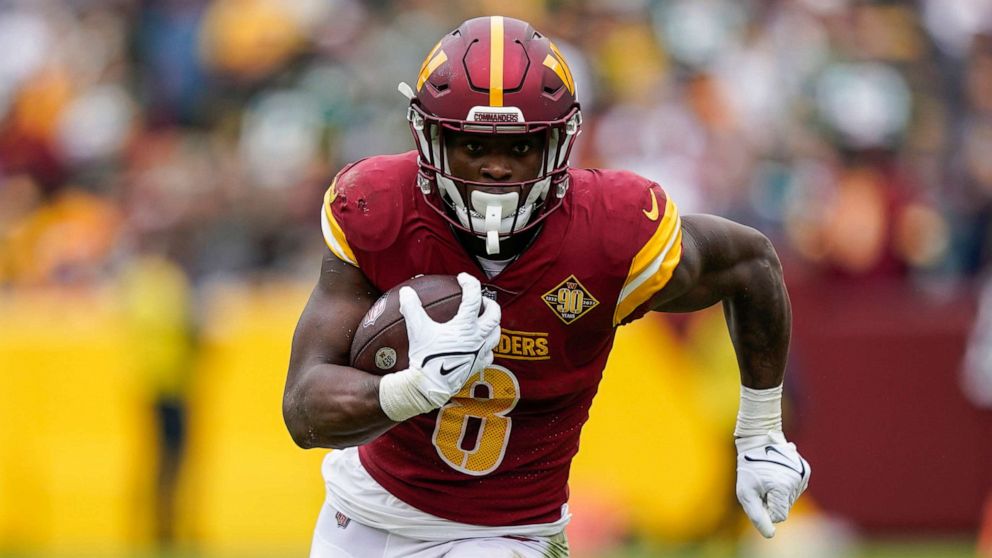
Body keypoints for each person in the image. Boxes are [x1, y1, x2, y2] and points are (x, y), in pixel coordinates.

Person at [283, 16, 810, 558]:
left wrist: (761, 430)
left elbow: (752, 264)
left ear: (560, 143)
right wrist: (409, 390)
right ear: (430, 139)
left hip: (506, 534)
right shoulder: (378, 206)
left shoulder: (611, 231)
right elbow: (303, 408)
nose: (494, 169)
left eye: (521, 147)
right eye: (471, 145)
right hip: (364, 510)